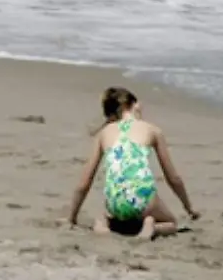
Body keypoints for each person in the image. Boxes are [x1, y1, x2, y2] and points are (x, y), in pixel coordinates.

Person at [67, 86, 200, 240]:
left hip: (115, 203)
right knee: (171, 223)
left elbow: (84, 183)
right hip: (143, 199)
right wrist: (189, 208)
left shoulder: (103, 133)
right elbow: (173, 178)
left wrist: (72, 217)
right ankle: (152, 226)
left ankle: (103, 226)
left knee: (106, 217)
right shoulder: (152, 130)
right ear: (130, 105)